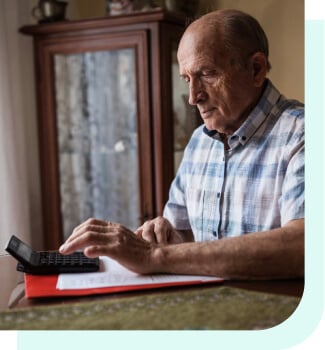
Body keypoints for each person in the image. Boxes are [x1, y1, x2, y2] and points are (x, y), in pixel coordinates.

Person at [59, 9, 304, 280]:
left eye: (207, 74)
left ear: (256, 69)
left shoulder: (304, 134)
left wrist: (152, 256)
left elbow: (303, 246)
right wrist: (164, 235)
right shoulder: (200, 141)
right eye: (187, 79)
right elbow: (183, 235)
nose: (193, 97)